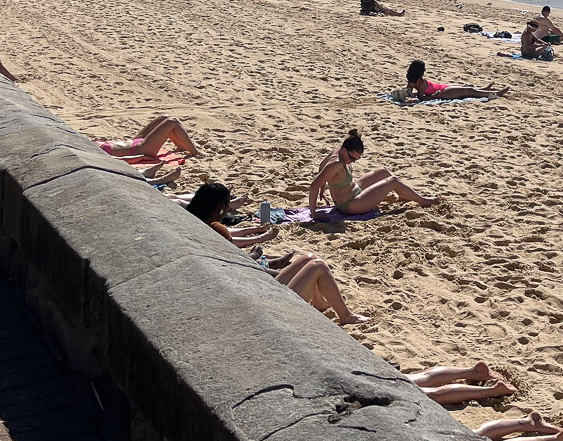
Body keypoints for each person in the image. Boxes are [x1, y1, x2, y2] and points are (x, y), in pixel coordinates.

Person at [187, 184, 369, 325]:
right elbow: (237, 266)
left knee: (309, 258)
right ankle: (346, 316)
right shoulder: (218, 229)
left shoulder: (196, 224)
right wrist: (256, 257)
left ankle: (320, 302)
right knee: (318, 265)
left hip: (251, 289)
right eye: (227, 207)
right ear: (219, 207)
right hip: (262, 299)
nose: (229, 211)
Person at [309, 129, 438, 214]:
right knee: (393, 181)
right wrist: (314, 214)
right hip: (351, 205)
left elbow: (321, 167)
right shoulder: (336, 165)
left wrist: (323, 189)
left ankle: (405, 194)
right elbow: (313, 185)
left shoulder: (337, 150)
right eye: (352, 158)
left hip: (354, 190)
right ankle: (423, 201)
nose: (353, 161)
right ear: (344, 151)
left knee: (384, 171)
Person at [98, 115, 203, 160]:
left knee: (164, 118)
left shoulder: (85, 146)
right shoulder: (92, 155)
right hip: (138, 150)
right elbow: (118, 160)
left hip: (134, 142)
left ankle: (181, 147)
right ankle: (195, 153)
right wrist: (140, 157)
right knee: (172, 122)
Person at [403, 60, 508, 102]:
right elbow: (421, 97)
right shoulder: (420, 82)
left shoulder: (412, 81)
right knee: (469, 91)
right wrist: (435, 96)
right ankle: (496, 93)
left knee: (466, 86)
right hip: (442, 93)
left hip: (442, 87)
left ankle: (483, 89)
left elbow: (409, 92)